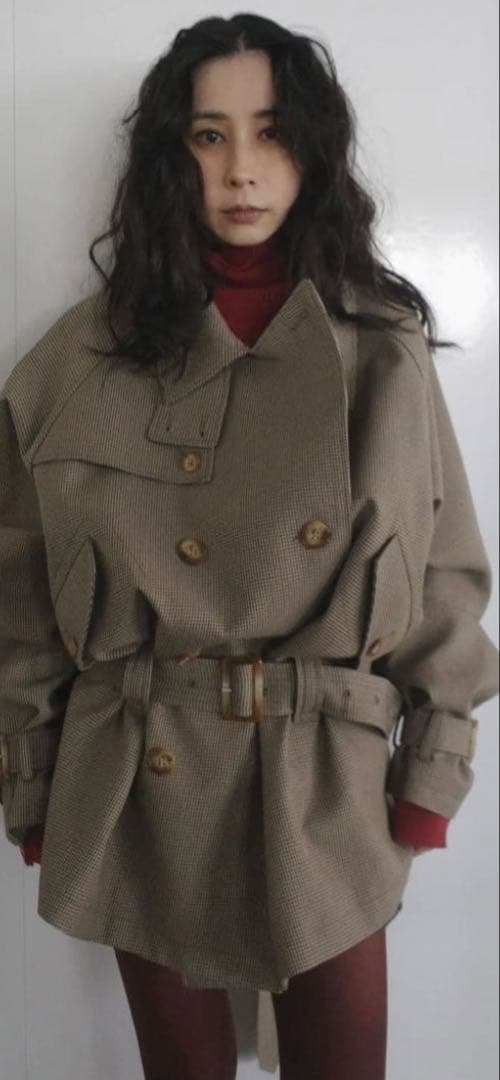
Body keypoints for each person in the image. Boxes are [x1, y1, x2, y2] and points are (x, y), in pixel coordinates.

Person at [1, 13, 498, 1080]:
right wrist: (31, 787)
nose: (239, 169)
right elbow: (23, 601)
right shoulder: (72, 366)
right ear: (168, 155)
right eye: (207, 135)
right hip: (138, 782)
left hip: (326, 783)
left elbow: (444, 572)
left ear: (311, 150)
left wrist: (431, 770)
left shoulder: (380, 350)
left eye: (269, 133)